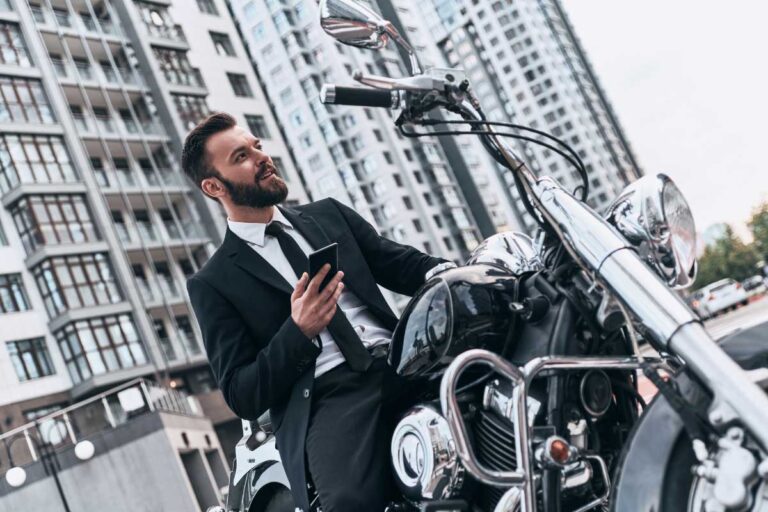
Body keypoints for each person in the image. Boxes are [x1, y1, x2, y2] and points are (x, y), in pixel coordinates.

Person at [182, 113, 452, 511]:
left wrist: (457, 271)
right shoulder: (213, 282)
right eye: (242, 155)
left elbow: (403, 265)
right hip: (330, 398)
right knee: (349, 503)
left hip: (403, 359)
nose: (261, 157)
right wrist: (298, 330)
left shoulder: (328, 215)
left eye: (257, 146)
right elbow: (242, 393)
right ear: (213, 185)